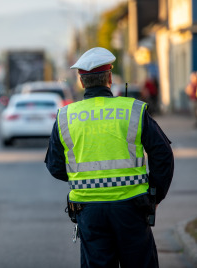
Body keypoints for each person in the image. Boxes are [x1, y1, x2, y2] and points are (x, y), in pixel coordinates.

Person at [45, 47, 174, 268]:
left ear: (81, 81)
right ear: (110, 78)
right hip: (132, 207)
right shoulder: (133, 110)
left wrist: (83, 179)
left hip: (88, 210)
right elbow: (162, 154)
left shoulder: (66, 116)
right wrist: (155, 195)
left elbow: (55, 166)